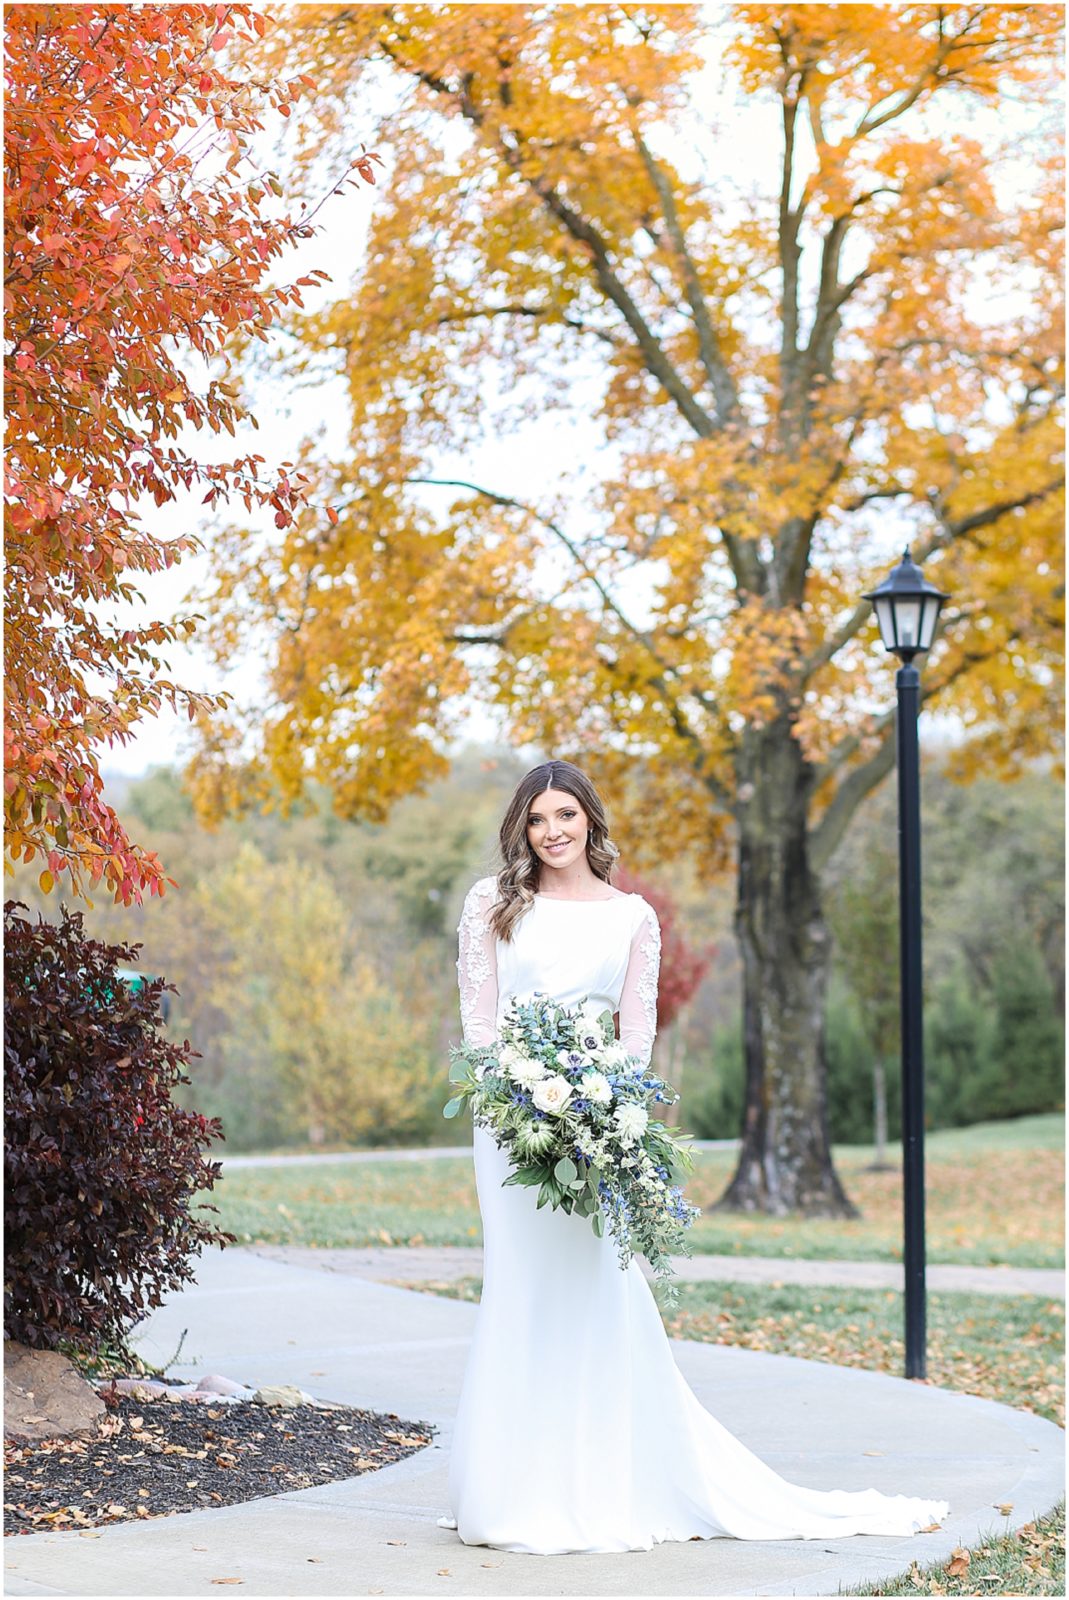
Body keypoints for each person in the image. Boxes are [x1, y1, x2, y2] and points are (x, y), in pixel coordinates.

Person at [436, 758, 951, 1555]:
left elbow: (635, 1041)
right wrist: (513, 1097)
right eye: (537, 820)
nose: (552, 832)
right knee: (518, 1290)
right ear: (521, 829)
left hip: (597, 1125)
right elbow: (479, 1023)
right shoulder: (492, 904)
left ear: (591, 821)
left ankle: (604, 1482)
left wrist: (604, 1111)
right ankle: (510, 1490)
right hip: (511, 1129)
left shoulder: (632, 918)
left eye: (566, 816)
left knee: (594, 1294)